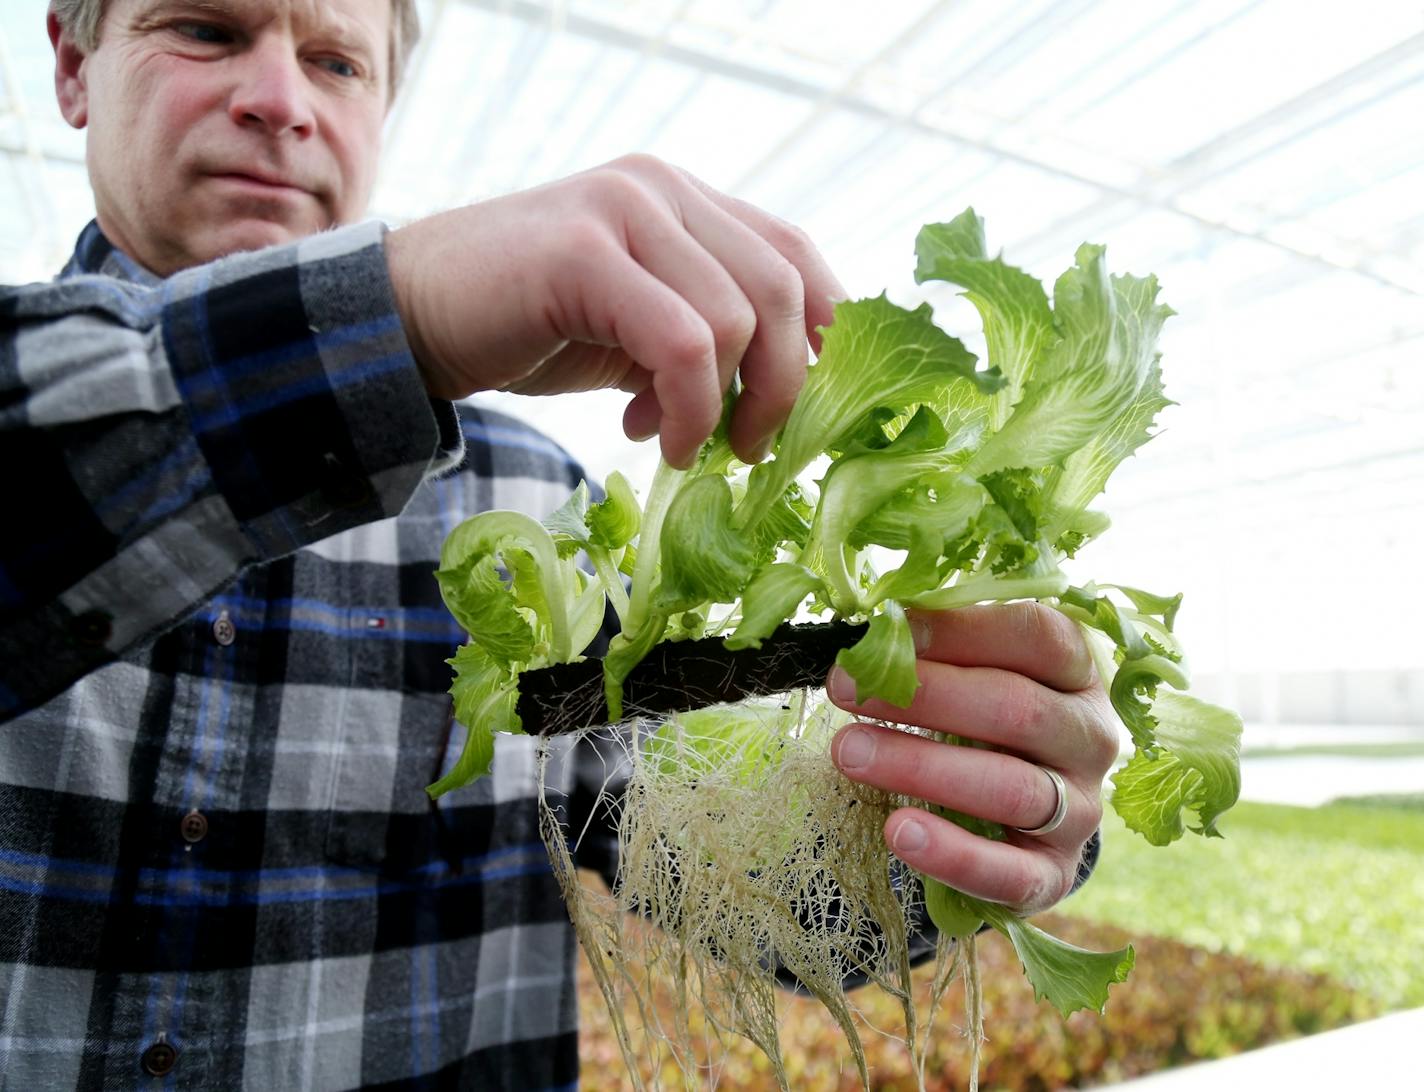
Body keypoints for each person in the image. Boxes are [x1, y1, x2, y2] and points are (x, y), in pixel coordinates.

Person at [0, 0, 1118, 1086]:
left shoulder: (532, 509)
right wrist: (396, 310)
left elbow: (756, 887)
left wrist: (974, 809)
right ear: (69, 65)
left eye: (339, 62)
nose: (281, 99)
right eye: (205, 29)